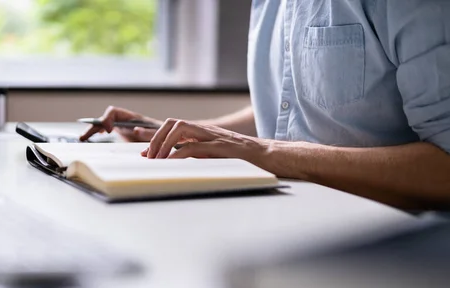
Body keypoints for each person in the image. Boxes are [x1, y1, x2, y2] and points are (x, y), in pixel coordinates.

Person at [81, 0, 450, 210]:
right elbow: (294, 111)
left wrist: (269, 152)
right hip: (283, 218)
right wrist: (189, 135)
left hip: (390, 250)